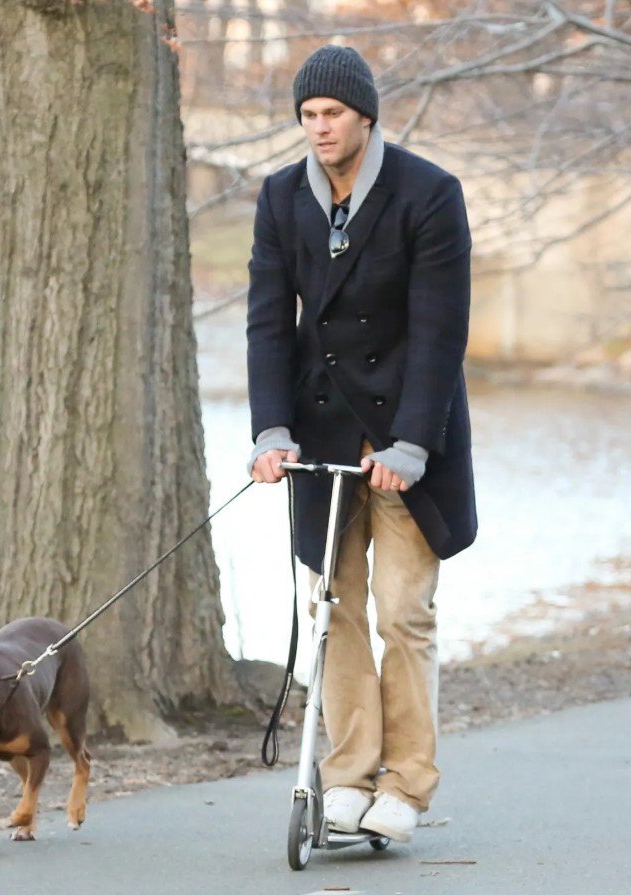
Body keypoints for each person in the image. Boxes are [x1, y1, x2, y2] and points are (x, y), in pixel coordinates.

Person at [245, 44, 477, 844]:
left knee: (403, 613)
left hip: (412, 434)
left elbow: (442, 330)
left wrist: (412, 442)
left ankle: (406, 786)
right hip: (321, 433)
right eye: (307, 116)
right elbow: (270, 319)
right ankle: (346, 774)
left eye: (332, 114)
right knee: (331, 609)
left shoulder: (429, 194)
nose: (319, 129)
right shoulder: (281, 197)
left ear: (365, 116)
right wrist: (271, 430)